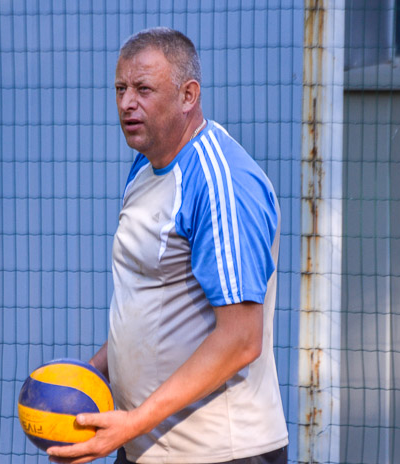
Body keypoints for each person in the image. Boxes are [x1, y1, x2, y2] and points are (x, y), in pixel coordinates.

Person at [48, 27, 288, 464]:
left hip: (219, 453)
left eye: (143, 89)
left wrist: (134, 420)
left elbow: (240, 340)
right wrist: (88, 376)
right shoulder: (146, 167)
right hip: (144, 445)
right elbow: (151, 304)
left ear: (188, 95)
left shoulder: (222, 183)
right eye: (120, 88)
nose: (126, 103)